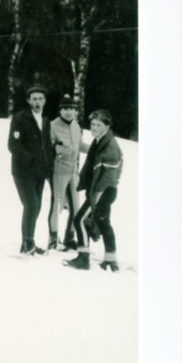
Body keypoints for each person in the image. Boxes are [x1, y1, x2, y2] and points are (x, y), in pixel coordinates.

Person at [67, 108, 122, 272]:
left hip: (103, 191)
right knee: (104, 222)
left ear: (107, 126)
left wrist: (95, 197)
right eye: (92, 124)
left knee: (79, 220)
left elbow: (109, 177)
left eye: (98, 125)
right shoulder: (99, 141)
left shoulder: (110, 147)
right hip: (103, 190)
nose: (94, 128)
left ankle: (83, 259)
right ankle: (110, 260)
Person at [7, 85, 51, 255]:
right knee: (31, 204)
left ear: (45, 101)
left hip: (40, 172)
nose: (37, 102)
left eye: (40, 99)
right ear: (28, 101)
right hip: (23, 171)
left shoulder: (45, 119)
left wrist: (48, 165)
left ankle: (27, 242)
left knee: (36, 206)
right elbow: (13, 145)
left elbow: (46, 145)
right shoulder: (20, 118)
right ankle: (28, 243)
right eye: (34, 99)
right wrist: (32, 159)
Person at [48, 95, 85, 252]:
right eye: (65, 109)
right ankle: (53, 239)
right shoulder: (52, 126)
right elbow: (47, 147)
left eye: (72, 109)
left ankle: (70, 238)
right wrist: (55, 149)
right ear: (60, 110)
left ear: (75, 111)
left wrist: (95, 150)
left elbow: (80, 145)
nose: (69, 112)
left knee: (76, 207)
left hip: (73, 172)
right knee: (57, 206)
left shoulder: (76, 126)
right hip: (59, 172)